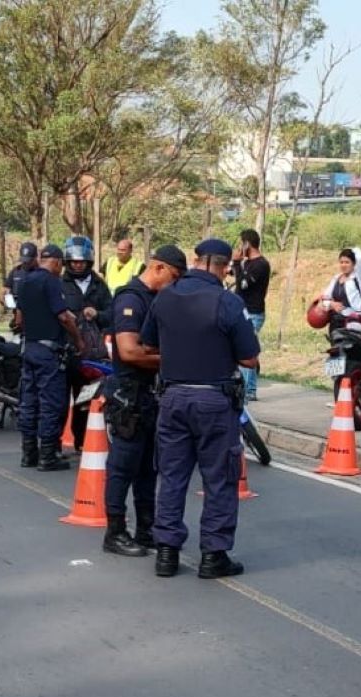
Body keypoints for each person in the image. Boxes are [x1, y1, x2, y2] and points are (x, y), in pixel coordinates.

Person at [140, 238, 259, 579]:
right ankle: (214, 555)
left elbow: (149, 343)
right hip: (214, 399)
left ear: (195, 260)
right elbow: (249, 357)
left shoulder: (164, 299)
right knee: (219, 479)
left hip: (172, 397)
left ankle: (166, 552)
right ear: (225, 266)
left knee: (172, 477)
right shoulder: (227, 302)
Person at [101, 245, 186, 557]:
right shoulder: (130, 298)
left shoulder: (158, 299)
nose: (174, 285)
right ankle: (115, 531)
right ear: (159, 268)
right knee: (123, 464)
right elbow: (129, 351)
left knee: (148, 467)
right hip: (129, 394)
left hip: (152, 394)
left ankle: (146, 528)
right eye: (173, 277)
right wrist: (173, 361)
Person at [15, 245, 86, 471]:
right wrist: (78, 340)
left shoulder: (25, 280)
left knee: (29, 401)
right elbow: (64, 316)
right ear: (55, 262)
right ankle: (47, 454)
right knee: (51, 403)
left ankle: (28, 453)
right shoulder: (51, 281)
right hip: (49, 352)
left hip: (30, 348)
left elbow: (18, 319)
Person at [61, 235, 112, 450]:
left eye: (81, 261)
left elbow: (112, 314)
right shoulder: (59, 284)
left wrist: (97, 314)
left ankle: (83, 442)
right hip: (65, 351)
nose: (77, 265)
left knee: (85, 398)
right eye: (73, 262)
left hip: (90, 354)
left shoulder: (99, 285)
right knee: (60, 401)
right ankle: (52, 445)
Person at [231, 229, 270, 400]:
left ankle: (249, 391)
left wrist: (236, 263)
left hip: (253, 312)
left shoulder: (260, 264)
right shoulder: (247, 263)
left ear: (247, 244)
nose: (240, 247)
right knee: (243, 349)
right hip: (243, 311)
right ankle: (249, 389)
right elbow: (236, 276)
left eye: (241, 243)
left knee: (247, 350)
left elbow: (243, 284)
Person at [313, 247, 361, 316]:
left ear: (354, 264)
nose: (344, 265)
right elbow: (324, 299)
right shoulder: (336, 278)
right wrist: (332, 304)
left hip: (353, 322)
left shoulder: (356, 280)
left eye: (347, 262)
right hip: (335, 321)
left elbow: (359, 309)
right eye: (341, 262)